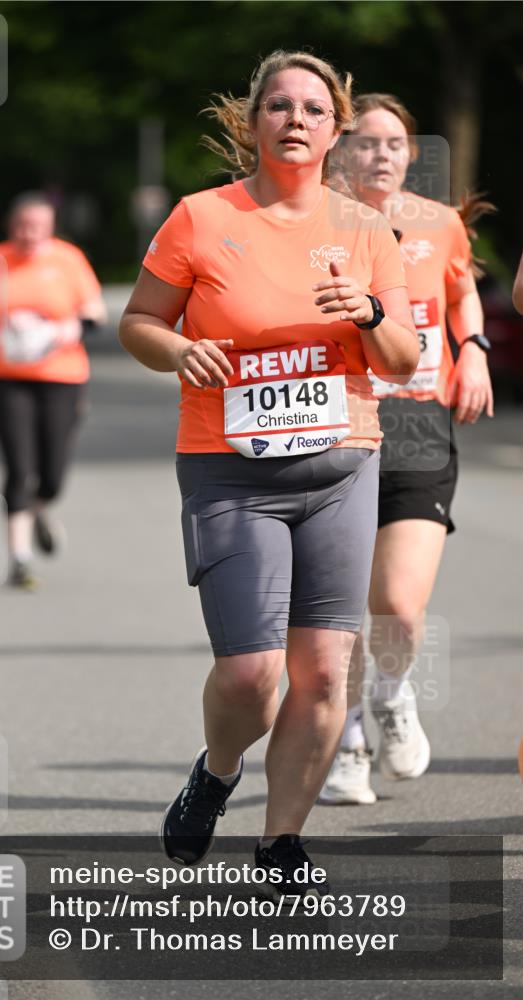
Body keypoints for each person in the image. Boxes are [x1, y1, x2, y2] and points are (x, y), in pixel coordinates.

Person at [119, 50, 418, 886]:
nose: (295, 119)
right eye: (278, 106)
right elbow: (139, 320)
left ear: (334, 129)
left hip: (341, 466)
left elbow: (397, 358)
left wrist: (365, 312)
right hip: (229, 469)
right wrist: (179, 348)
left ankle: (281, 843)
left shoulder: (362, 227)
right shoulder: (199, 217)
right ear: (251, 124)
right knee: (251, 674)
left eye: (313, 109)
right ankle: (216, 772)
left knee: (323, 672)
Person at [319, 93, 494, 805]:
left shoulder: (437, 223)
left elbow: (461, 293)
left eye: (394, 144)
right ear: (341, 153)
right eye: (365, 143)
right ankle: (349, 741)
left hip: (419, 424)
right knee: (339, 610)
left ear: (409, 155)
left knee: (396, 604)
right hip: (337, 425)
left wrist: (474, 351)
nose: (381, 154)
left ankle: (388, 696)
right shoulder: (314, 224)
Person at [0, 192, 106, 589]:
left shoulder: (68, 259)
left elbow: (95, 313)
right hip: (6, 377)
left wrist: (65, 330)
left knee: (52, 474)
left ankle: (38, 506)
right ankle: (19, 559)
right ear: (9, 225)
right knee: (19, 467)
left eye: (37, 226)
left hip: (61, 377)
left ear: (50, 228)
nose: (28, 233)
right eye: (21, 225)